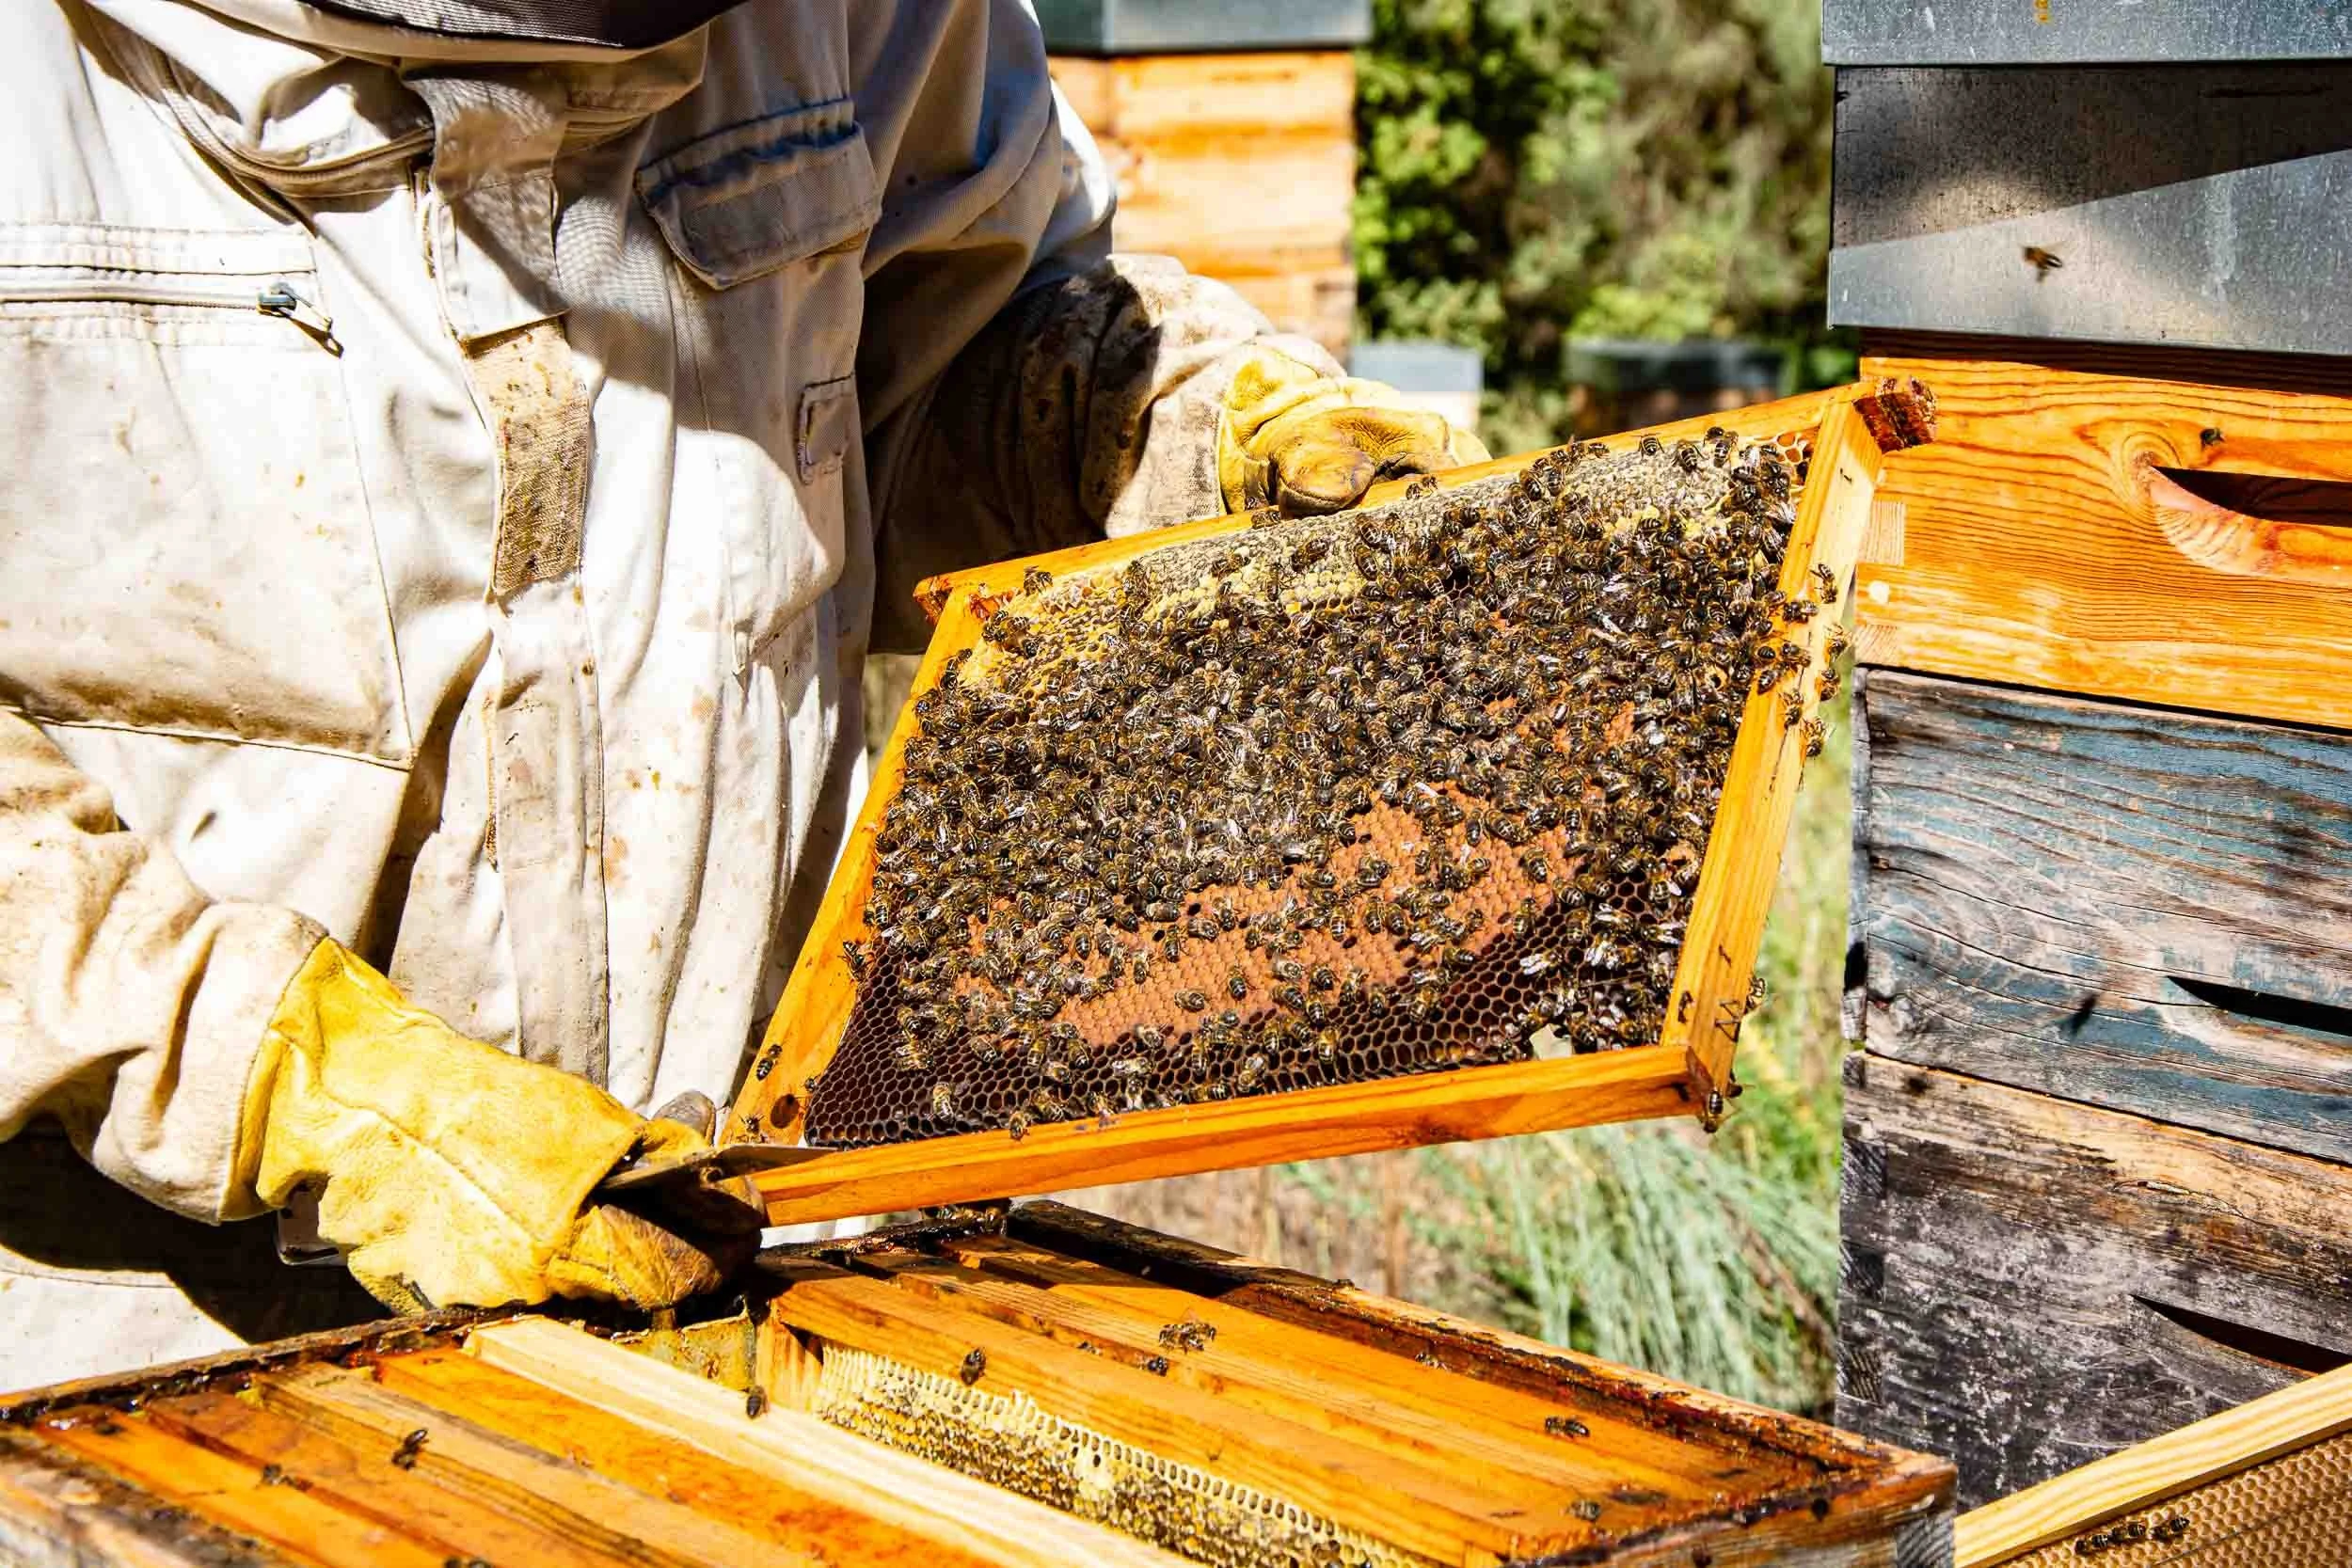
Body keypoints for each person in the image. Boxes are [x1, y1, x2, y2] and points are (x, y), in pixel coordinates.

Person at [0, 0, 1487, 1389]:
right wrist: (289, 1075)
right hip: (151, 1345)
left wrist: (1137, 418)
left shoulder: (861, 17)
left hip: (750, 1275)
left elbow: (937, 344)